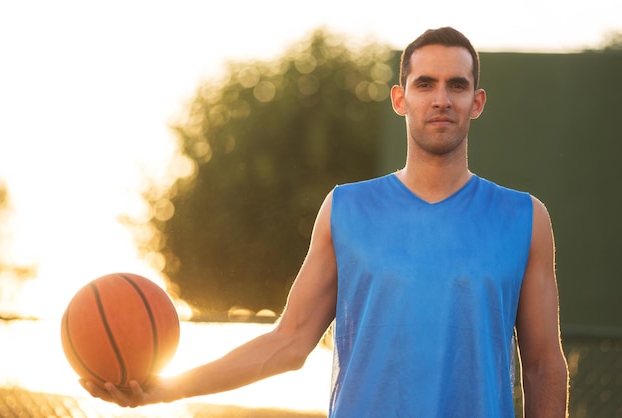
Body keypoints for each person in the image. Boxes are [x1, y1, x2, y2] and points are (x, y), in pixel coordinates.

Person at [83, 27, 569, 417]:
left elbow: (545, 365)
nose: (441, 99)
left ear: (476, 102)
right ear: (400, 99)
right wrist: (161, 390)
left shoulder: (523, 218)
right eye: (426, 84)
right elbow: (288, 342)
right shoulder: (346, 209)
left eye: (456, 85)